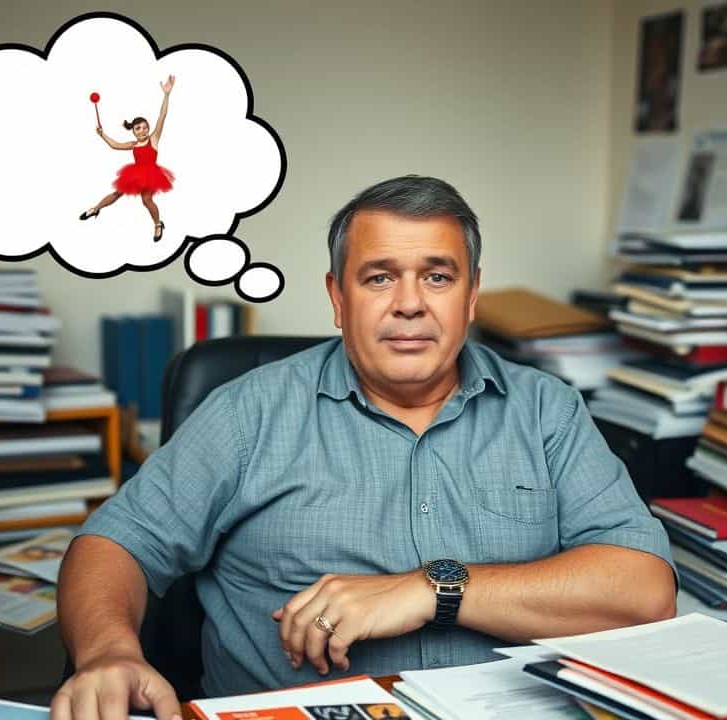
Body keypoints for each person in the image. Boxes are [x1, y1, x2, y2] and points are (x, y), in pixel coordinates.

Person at [54, 176, 676, 720]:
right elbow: (113, 544)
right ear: (337, 297)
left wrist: (433, 589)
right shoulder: (248, 412)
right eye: (380, 278)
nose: (409, 303)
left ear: (472, 295)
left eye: (438, 276)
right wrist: (109, 652)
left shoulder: (547, 411)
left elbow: (645, 593)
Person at [80, 75, 177, 241]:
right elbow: (115, 145)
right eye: (138, 128)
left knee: (146, 201)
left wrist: (166, 95)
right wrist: (102, 135)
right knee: (117, 193)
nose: (143, 130)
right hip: (135, 174)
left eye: (145, 127)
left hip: (151, 175)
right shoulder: (133, 144)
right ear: (133, 130)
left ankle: (157, 224)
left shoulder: (153, 139)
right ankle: (96, 208)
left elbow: (162, 116)